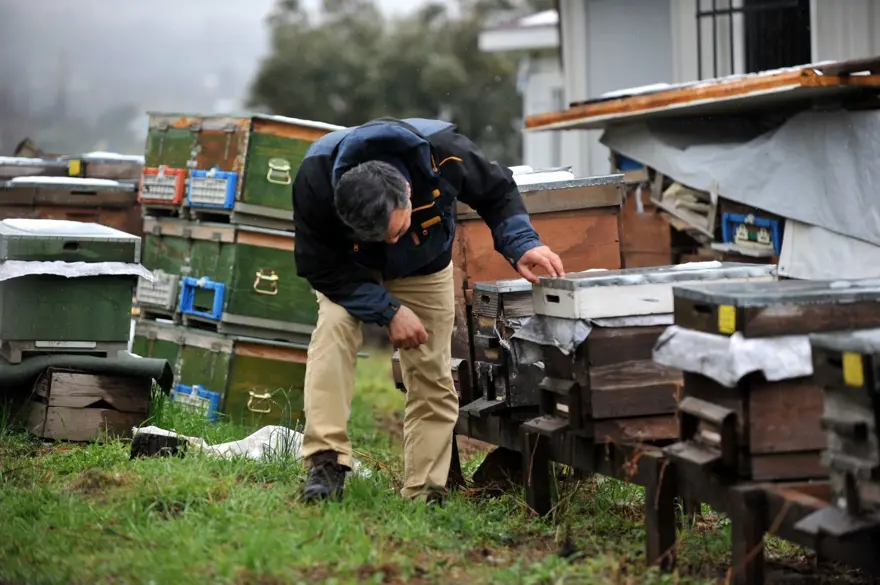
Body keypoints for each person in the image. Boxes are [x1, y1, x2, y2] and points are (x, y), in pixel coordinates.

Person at [292, 116, 565, 504]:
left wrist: (522, 243)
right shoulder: (315, 178)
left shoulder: (446, 151)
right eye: (378, 236)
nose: (389, 242)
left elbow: (497, 191)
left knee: (432, 369)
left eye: (396, 230)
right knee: (334, 330)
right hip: (351, 272)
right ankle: (326, 463)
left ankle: (424, 490)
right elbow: (318, 265)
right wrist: (388, 311)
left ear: (407, 190)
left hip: (425, 266)